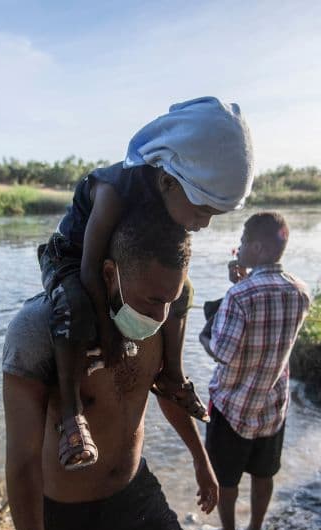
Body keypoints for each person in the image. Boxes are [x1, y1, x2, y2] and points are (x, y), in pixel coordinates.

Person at [4, 203, 219, 530]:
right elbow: (20, 463)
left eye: (171, 299)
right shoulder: (40, 331)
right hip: (65, 513)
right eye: (148, 302)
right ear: (109, 273)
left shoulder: (163, 312)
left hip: (135, 496)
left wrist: (201, 459)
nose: (159, 314)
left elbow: (164, 391)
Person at [38, 96, 254, 471]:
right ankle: (72, 412)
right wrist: (111, 335)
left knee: (183, 292)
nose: (203, 225)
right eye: (202, 211)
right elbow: (90, 270)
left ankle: (172, 374)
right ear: (169, 182)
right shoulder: (114, 192)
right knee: (73, 304)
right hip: (73, 257)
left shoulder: (173, 197)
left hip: (123, 260)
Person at [198, 212, 310, 530]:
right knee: (264, 473)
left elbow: (222, 352)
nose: (239, 247)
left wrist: (208, 330)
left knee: (226, 479)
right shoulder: (300, 291)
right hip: (273, 405)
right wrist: (239, 284)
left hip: (233, 406)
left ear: (258, 247)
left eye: (243, 242)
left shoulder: (241, 296)